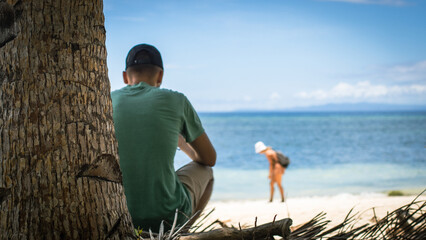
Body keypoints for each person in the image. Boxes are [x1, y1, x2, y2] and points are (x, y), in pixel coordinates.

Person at [111, 44, 216, 232]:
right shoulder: (177, 100)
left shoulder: (107, 100)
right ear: (160, 76)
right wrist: (182, 143)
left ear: (125, 77)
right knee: (207, 172)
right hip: (168, 217)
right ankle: (180, 231)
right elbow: (209, 159)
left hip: (118, 215)